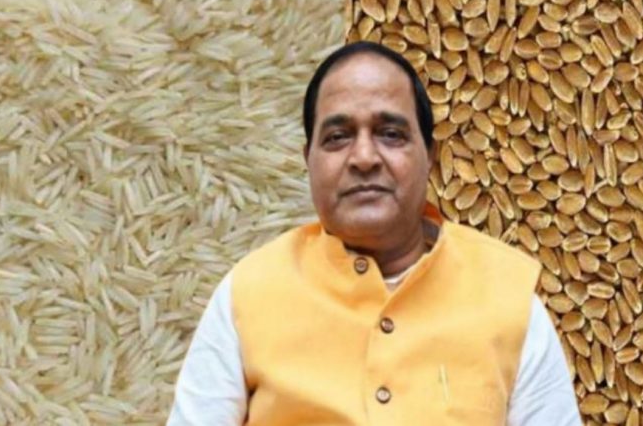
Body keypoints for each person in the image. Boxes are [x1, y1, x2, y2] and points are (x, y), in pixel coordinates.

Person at [167, 41, 581, 425]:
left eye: (390, 134)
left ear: (429, 157)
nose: (364, 157)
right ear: (308, 160)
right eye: (337, 137)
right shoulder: (250, 294)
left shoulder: (507, 300)